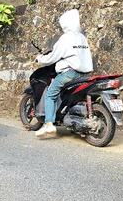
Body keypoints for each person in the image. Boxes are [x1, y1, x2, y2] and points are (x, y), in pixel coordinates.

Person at [34, 9, 93, 138]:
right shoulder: (82, 38)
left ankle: (49, 124)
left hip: (68, 74)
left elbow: (53, 57)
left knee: (50, 94)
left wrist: (40, 59)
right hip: (82, 75)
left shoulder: (66, 38)